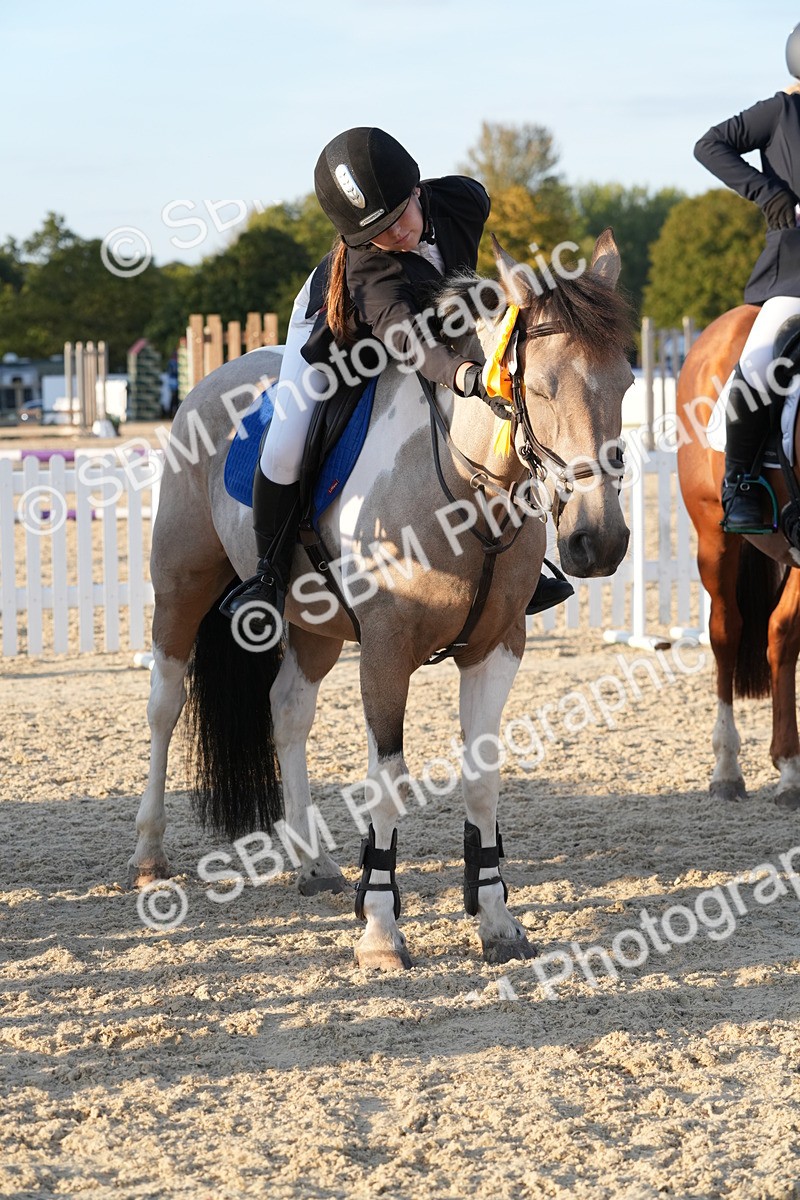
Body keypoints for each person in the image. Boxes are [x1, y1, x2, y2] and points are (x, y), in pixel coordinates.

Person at [222, 127, 573, 625]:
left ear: (416, 191)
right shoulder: (368, 267)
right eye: (375, 233)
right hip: (342, 331)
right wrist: (467, 376)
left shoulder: (465, 198)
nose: (394, 236)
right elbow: (408, 344)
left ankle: (518, 563)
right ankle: (268, 577)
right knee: (284, 444)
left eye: (397, 218)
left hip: (437, 312)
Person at [694, 23, 800, 533]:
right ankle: (741, 482)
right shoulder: (780, 112)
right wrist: (768, 194)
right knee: (760, 366)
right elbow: (709, 145)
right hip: (794, 272)